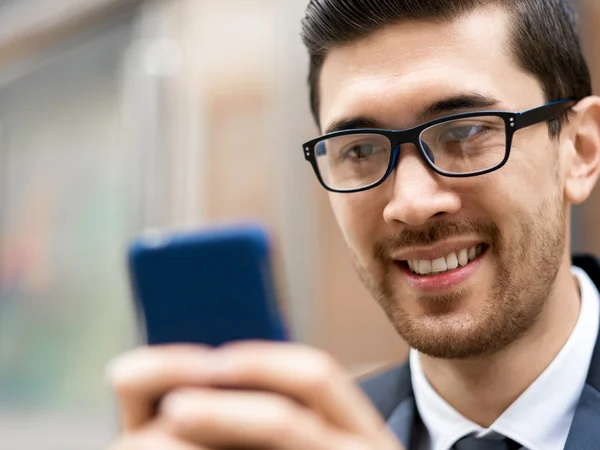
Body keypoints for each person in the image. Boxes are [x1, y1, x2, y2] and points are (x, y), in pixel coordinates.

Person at [107, 1, 600, 449]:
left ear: (579, 151)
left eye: (465, 132)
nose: (411, 203)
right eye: (361, 150)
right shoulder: (309, 434)